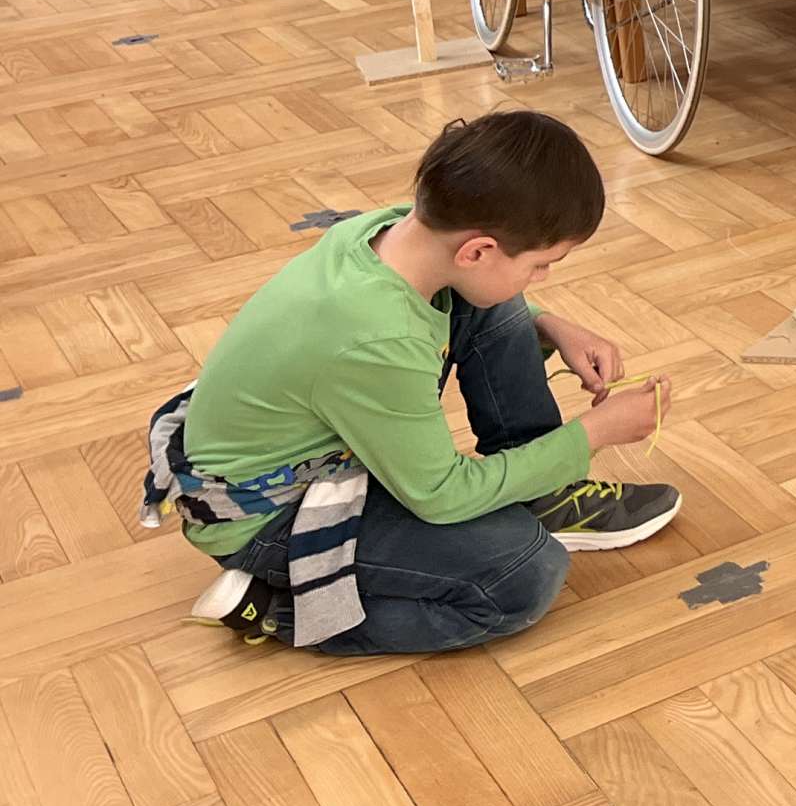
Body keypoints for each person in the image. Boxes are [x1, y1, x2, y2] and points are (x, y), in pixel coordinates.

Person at [146, 111, 677, 655]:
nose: (544, 275)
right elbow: (440, 495)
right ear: (478, 250)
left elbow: (471, 302)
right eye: (542, 264)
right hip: (267, 516)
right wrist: (593, 433)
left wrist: (548, 324)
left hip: (307, 448)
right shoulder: (377, 337)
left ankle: (541, 494)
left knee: (493, 305)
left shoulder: (391, 233)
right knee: (525, 573)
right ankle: (278, 609)